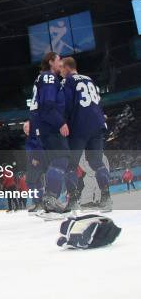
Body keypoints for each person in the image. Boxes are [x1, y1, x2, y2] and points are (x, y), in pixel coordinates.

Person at [61, 57, 112, 212]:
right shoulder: (89, 80)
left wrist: (62, 123)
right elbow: (97, 101)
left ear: (67, 68)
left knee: (70, 165)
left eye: (61, 69)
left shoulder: (67, 82)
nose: (60, 72)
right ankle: (106, 197)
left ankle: (73, 200)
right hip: (97, 124)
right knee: (96, 162)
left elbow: (65, 105)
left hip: (79, 126)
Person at [29, 52, 69, 219]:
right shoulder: (48, 78)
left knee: (57, 161)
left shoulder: (45, 78)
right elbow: (47, 105)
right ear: (51, 61)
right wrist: (60, 122)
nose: (61, 62)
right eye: (59, 59)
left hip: (44, 126)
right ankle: (50, 199)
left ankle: (49, 200)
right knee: (61, 159)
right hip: (49, 126)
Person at [23, 120, 45, 213]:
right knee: (37, 183)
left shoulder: (34, 137)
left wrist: (35, 159)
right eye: (24, 128)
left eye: (26, 127)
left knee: (30, 182)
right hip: (34, 162)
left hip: (35, 163)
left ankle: (38, 203)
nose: (25, 129)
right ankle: (40, 203)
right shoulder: (31, 137)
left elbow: (38, 148)